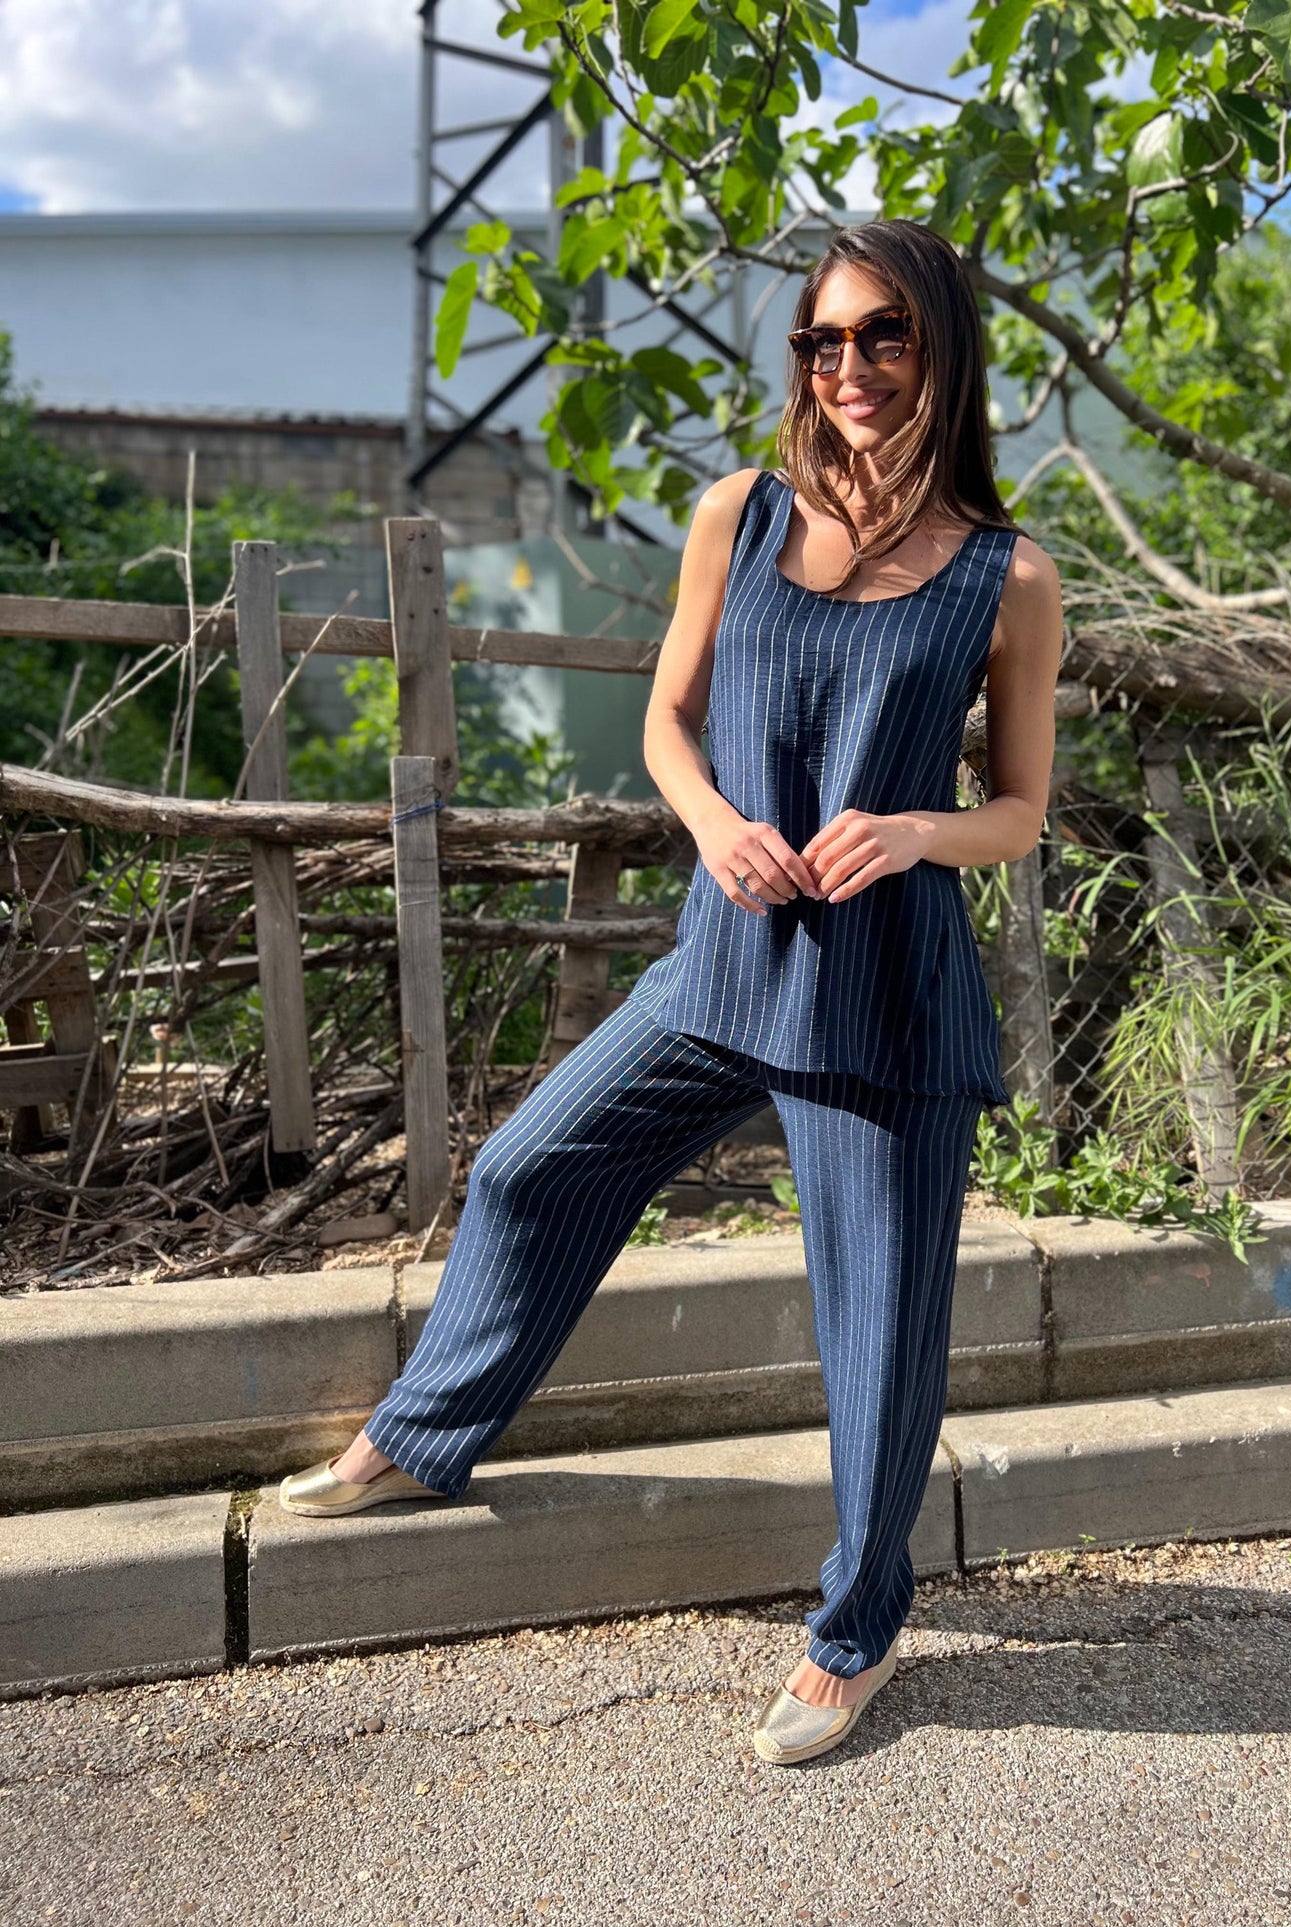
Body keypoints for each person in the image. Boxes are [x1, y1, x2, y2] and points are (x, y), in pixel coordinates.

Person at [279, 216, 1064, 1767]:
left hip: (881, 1002)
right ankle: (424, 1434)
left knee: (880, 1334)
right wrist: (713, 829)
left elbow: (1022, 810)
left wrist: (914, 828)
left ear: (943, 350)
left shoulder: (1005, 575)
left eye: (882, 336)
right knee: (527, 1168)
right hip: (724, 961)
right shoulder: (740, 512)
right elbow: (666, 722)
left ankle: (854, 1633)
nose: (847, 366)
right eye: (821, 340)